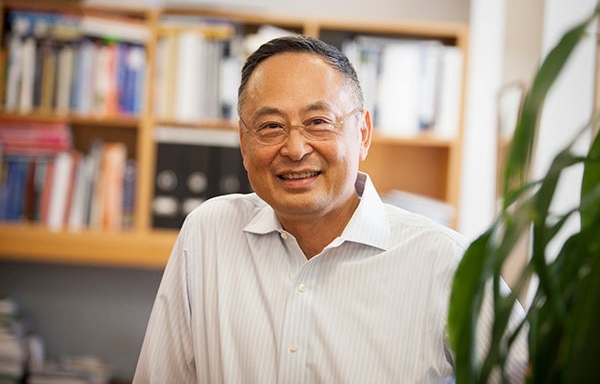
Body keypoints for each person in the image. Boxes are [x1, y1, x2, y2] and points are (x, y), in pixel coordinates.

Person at [133, 35, 526, 383]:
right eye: (271, 126)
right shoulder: (208, 235)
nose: (295, 148)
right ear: (243, 141)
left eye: (318, 121)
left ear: (363, 134)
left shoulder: (446, 261)